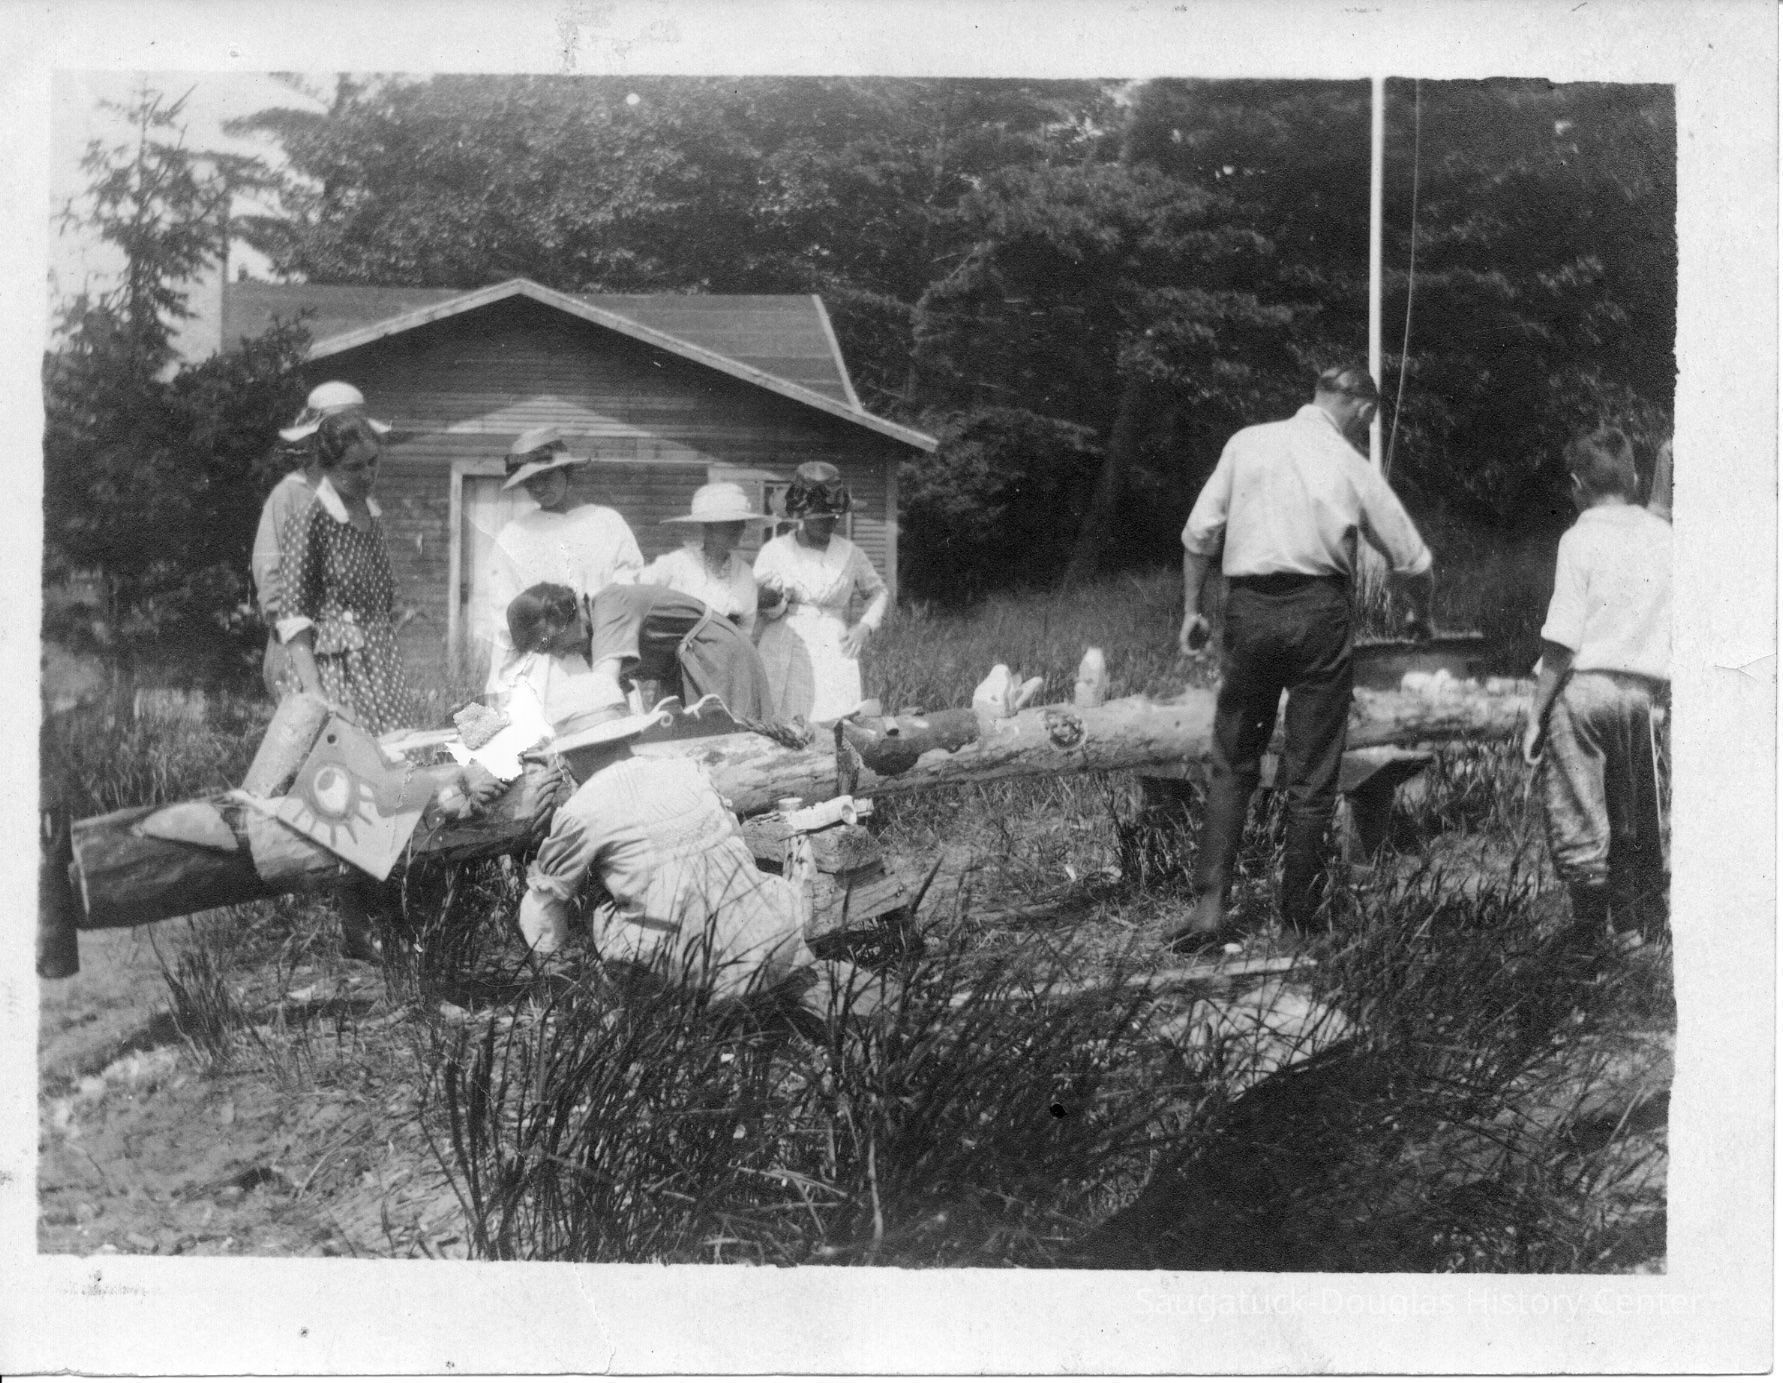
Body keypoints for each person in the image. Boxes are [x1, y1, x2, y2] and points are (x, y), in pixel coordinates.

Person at [1173, 365, 1435, 951]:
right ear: (1363, 410)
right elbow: (1413, 560)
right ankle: (1296, 921)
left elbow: (1198, 534)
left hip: (1248, 610)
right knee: (1312, 771)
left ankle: (1209, 911)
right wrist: (1420, 615)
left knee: (1233, 759)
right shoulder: (1349, 463)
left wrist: (1192, 610)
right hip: (1319, 613)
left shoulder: (1247, 443)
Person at [514, 702, 815, 1000]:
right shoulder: (684, 767)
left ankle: (642, 998)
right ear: (628, 737)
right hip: (772, 939)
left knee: (592, 899)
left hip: (691, 970)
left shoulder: (583, 807)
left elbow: (545, 902)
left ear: (572, 754)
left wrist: (550, 965)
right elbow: (735, 837)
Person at [1523, 426, 1671, 945]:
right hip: (1642, 697)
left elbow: (1562, 638)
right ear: (1634, 480)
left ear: (1575, 486)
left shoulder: (1578, 539)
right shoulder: (1664, 537)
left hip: (1585, 694)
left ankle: (1587, 930)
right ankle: (1633, 927)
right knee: (1631, 811)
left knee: (1579, 806)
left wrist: (1536, 715)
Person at [253, 382, 390, 699]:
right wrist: (308, 665)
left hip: (359, 653)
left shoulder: (362, 501)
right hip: (303, 651)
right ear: (318, 443)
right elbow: (272, 583)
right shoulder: (292, 495)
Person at [483, 427, 642, 692]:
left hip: (604, 659)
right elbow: (504, 619)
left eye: (546, 476)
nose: (539, 487)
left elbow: (629, 593)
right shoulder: (513, 536)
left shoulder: (607, 524)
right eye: (530, 481)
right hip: (543, 672)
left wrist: (593, 626)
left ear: (566, 471)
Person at [502, 580, 776, 723]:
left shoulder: (610, 606)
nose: (558, 654)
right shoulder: (587, 640)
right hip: (684, 668)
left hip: (716, 652)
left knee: (730, 740)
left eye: (551, 644)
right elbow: (614, 705)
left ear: (563, 614)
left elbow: (602, 691)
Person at [754, 461, 889, 722]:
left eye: (833, 516)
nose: (828, 523)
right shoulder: (776, 550)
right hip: (785, 640)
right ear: (802, 515)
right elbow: (760, 602)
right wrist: (773, 598)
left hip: (832, 645)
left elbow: (878, 592)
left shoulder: (850, 553)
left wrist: (864, 627)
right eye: (819, 516)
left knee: (832, 717)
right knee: (785, 716)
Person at [641, 482, 764, 637]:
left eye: (741, 523)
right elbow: (637, 593)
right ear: (709, 526)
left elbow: (746, 629)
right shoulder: (677, 563)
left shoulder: (744, 573)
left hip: (727, 649)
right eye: (730, 523)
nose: (740, 529)